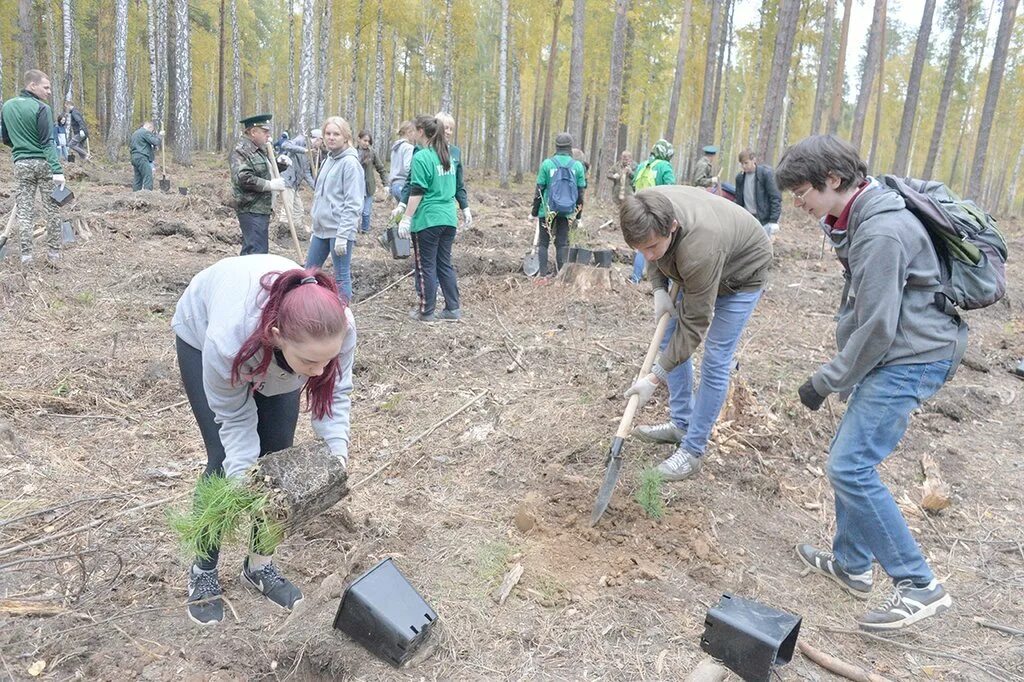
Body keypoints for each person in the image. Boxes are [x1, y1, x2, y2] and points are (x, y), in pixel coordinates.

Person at [775, 135, 960, 631]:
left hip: (911, 358)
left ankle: (918, 585)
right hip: (897, 352)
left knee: (850, 466)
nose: (798, 202)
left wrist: (826, 380)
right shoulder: (860, 217)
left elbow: (877, 326)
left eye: (802, 191)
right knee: (849, 456)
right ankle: (854, 566)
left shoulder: (881, 232)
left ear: (833, 180)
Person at [171, 254, 356, 625]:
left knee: (276, 460)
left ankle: (259, 565)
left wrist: (337, 453)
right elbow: (234, 415)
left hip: (279, 346)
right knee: (224, 462)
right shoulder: (227, 338)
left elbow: (334, 392)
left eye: (326, 361)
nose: (319, 372)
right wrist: (241, 476)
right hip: (204, 333)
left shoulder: (339, 328)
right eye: (311, 363)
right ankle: (203, 570)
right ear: (276, 336)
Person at [623, 186, 772, 481]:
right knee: (667, 338)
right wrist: (658, 290)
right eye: (640, 248)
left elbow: (695, 325)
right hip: (699, 260)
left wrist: (654, 377)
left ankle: (692, 451)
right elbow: (652, 253)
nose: (646, 255)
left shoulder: (699, 249)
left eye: (652, 246)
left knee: (716, 360)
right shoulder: (647, 207)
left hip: (742, 273)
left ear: (673, 227)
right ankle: (681, 423)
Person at [398, 115, 462, 321]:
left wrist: (406, 217)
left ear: (421, 132)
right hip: (449, 218)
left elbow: (417, 190)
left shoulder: (422, 157)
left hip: (428, 219)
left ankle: (426, 311)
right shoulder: (447, 156)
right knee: (444, 263)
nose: (414, 135)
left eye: (415, 131)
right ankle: (452, 308)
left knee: (426, 265)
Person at [1, 69, 66, 266]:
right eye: (46, 87)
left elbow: (5, 139)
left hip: (21, 164)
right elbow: (47, 142)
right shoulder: (42, 108)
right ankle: (54, 255)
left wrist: (22, 148)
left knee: (25, 211)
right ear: (32, 85)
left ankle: (26, 256)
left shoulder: (7, 106)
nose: (49, 92)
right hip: (44, 164)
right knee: (52, 209)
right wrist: (57, 170)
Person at [304, 117, 363, 301]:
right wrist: (315, 225)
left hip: (339, 230)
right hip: (321, 229)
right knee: (307, 274)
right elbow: (321, 196)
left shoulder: (350, 163)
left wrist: (343, 235)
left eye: (336, 134)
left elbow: (353, 203)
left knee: (341, 276)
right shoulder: (328, 159)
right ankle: (306, 310)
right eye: (327, 134)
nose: (331, 138)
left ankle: (343, 317)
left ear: (346, 137)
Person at [229, 113, 289, 255]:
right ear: (253, 132)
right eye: (265, 131)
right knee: (255, 251)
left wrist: (280, 165)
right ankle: (248, 277)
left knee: (257, 248)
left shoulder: (260, 148)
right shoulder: (242, 150)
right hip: (250, 207)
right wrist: (270, 185)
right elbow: (243, 178)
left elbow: (263, 170)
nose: (268, 135)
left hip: (261, 207)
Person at [529, 132, 586, 276]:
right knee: (562, 244)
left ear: (556, 146)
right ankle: (561, 275)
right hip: (567, 211)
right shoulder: (577, 166)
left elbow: (539, 190)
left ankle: (542, 275)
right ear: (570, 147)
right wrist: (578, 216)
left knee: (543, 243)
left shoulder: (547, 164)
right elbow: (580, 195)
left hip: (546, 210)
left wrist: (534, 212)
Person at [630, 139, 677, 283]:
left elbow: (633, 185)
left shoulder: (643, 165)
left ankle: (635, 278)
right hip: (656, 212)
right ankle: (664, 283)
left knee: (641, 246)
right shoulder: (665, 166)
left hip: (638, 209)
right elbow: (672, 188)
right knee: (660, 246)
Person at [734, 149, 782, 239]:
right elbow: (738, 200)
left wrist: (774, 220)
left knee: (763, 248)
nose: (744, 166)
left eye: (746, 163)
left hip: (764, 220)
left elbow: (775, 197)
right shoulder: (739, 178)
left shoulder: (766, 174)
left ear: (754, 160)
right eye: (742, 164)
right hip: (747, 219)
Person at [356, 130, 387, 234]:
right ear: (359, 139)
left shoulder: (372, 152)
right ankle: (354, 228)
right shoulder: (352, 152)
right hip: (355, 186)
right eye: (364, 140)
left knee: (366, 212)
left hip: (368, 186)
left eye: (368, 141)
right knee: (356, 210)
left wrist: (386, 184)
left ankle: (365, 230)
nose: (366, 143)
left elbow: (381, 168)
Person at [128, 120, 163, 191]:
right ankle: (148, 194)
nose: (151, 133)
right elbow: (155, 142)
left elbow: (142, 145)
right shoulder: (145, 132)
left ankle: (135, 195)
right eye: (152, 131)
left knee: (138, 178)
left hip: (134, 157)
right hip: (142, 157)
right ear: (149, 127)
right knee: (148, 175)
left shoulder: (135, 133)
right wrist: (160, 136)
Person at [387, 121, 416, 203]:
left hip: (394, 186)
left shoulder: (395, 147)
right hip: (403, 185)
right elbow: (408, 168)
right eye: (413, 131)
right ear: (408, 132)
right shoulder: (408, 148)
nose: (415, 135)